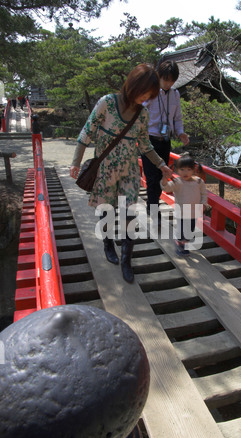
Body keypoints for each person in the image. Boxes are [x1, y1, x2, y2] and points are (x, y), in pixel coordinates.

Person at [70, 64, 172, 283]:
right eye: (144, 92)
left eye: (150, 95)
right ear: (133, 85)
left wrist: (161, 164)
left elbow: (145, 145)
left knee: (129, 214)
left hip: (130, 171)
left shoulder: (143, 114)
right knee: (105, 209)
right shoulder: (106, 103)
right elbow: (86, 134)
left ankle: (127, 259)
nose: (146, 97)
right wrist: (75, 162)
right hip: (105, 169)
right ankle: (108, 243)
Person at [141, 60, 189, 218]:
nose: (168, 84)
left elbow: (177, 118)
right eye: (165, 79)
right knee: (152, 177)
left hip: (165, 140)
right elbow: (138, 112)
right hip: (150, 140)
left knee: (163, 176)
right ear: (158, 76)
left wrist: (180, 132)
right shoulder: (150, 92)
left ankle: (152, 206)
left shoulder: (175, 94)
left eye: (171, 81)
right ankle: (153, 209)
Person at [160, 155, 208, 256]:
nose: (185, 172)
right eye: (182, 169)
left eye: (188, 169)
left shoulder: (199, 182)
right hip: (181, 211)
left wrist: (203, 204)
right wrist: (165, 178)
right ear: (177, 170)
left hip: (194, 211)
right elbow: (166, 188)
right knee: (182, 230)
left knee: (190, 229)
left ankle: (183, 241)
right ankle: (181, 245)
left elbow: (204, 194)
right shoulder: (177, 182)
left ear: (193, 170)